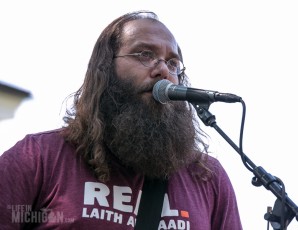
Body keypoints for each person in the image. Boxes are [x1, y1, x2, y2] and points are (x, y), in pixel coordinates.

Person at [0, 10, 243, 230]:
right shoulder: (38, 157)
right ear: (105, 70)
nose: (163, 70)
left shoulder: (207, 177)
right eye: (145, 54)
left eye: (173, 62)